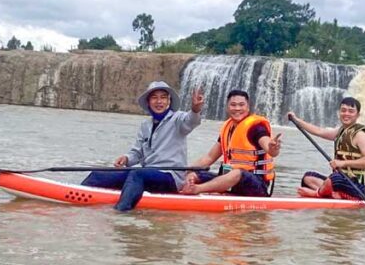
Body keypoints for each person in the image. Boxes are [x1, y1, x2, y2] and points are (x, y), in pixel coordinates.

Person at [81, 81, 204, 211]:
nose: (159, 101)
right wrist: (126, 158)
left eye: (163, 97)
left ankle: (120, 213)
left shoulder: (178, 120)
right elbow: (137, 153)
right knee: (98, 175)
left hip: (170, 177)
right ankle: (75, 198)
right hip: (147, 174)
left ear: (169, 101)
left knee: (137, 174)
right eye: (154, 97)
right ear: (148, 101)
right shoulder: (145, 125)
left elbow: (191, 121)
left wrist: (195, 109)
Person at [180, 89, 282, 197]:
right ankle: (187, 189)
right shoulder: (228, 128)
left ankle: (197, 189)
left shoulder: (256, 128)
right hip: (231, 182)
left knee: (237, 172)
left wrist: (273, 148)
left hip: (256, 184)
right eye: (233, 105)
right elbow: (209, 158)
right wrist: (185, 172)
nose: (237, 108)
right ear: (227, 107)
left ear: (248, 107)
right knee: (193, 175)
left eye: (241, 105)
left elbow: (269, 148)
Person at [287, 97, 365, 200]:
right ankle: (333, 194)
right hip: (341, 181)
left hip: (356, 186)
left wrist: (343, 163)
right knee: (308, 178)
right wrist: (296, 120)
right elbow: (319, 131)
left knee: (333, 179)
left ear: (357, 115)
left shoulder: (360, 134)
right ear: (339, 112)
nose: (346, 114)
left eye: (351, 111)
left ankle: (318, 194)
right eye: (343, 110)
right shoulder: (341, 131)